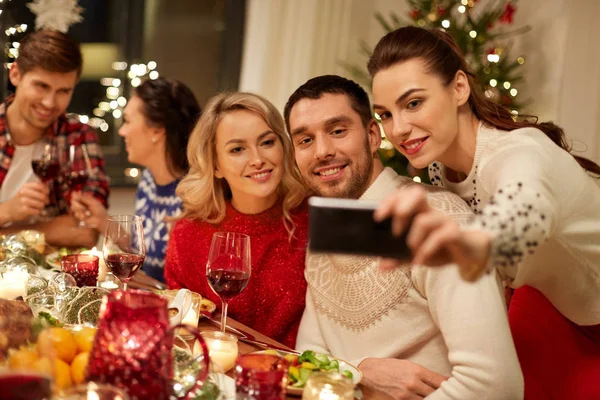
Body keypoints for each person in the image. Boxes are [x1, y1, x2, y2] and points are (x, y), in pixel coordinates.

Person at [368, 26, 600, 399]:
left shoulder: (520, 154)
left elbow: (524, 213)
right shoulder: (441, 167)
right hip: (548, 302)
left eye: (413, 103)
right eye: (385, 114)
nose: (398, 129)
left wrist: (468, 242)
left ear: (459, 88)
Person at [284, 75, 523, 400]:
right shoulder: (328, 226)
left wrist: (350, 375)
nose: (322, 151)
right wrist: (360, 373)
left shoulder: (439, 221)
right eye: (305, 140)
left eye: (338, 131)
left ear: (371, 136)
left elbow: (496, 384)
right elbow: (308, 358)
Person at [164, 92, 308, 348]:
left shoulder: (311, 221)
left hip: (294, 377)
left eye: (266, 142)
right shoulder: (189, 234)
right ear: (216, 165)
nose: (257, 160)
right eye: (237, 149)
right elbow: (180, 329)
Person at [72, 78, 201, 282]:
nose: (122, 131)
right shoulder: (149, 180)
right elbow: (146, 260)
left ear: (156, 131)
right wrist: (103, 221)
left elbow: (181, 287)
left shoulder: (196, 196)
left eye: (128, 121)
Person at [0, 30, 109, 248]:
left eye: (63, 91)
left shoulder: (78, 136)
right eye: (42, 86)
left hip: (53, 278)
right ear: (15, 75)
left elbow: (86, 231)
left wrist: (7, 234)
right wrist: (7, 211)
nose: (50, 103)